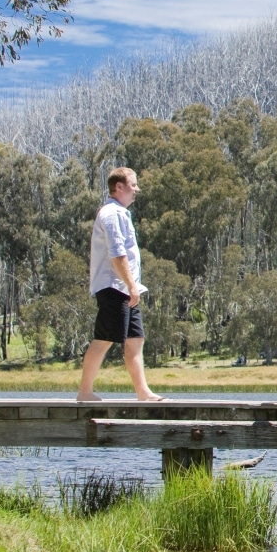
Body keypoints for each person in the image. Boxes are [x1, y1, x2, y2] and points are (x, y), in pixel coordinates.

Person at [77, 167, 166, 402]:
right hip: (114, 287)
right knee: (104, 338)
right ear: (119, 187)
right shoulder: (111, 214)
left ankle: (143, 393)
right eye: (133, 185)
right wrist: (130, 285)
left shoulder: (121, 213)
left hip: (127, 288)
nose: (137, 189)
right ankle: (84, 392)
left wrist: (132, 286)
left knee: (135, 339)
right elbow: (117, 253)